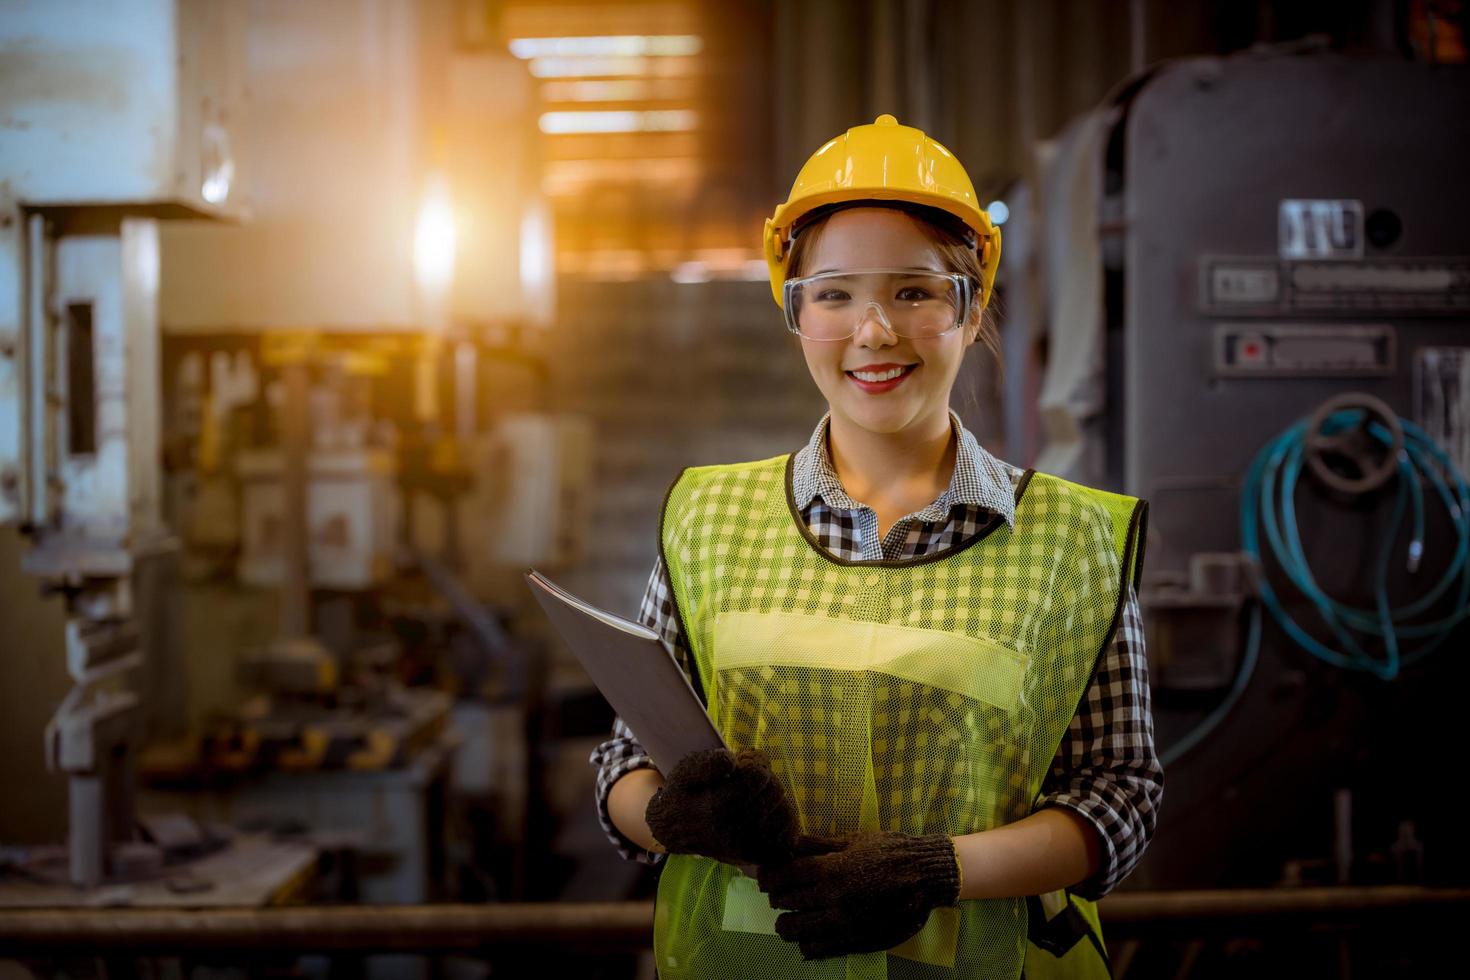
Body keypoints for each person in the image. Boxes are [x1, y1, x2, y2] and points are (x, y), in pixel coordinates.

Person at [589, 114, 1162, 979]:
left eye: (914, 291)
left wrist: (941, 871)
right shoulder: (707, 518)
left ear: (971, 311)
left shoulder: (1074, 542)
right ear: (795, 313)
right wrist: (668, 815)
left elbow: (1118, 794)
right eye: (835, 294)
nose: (874, 332)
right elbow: (624, 762)